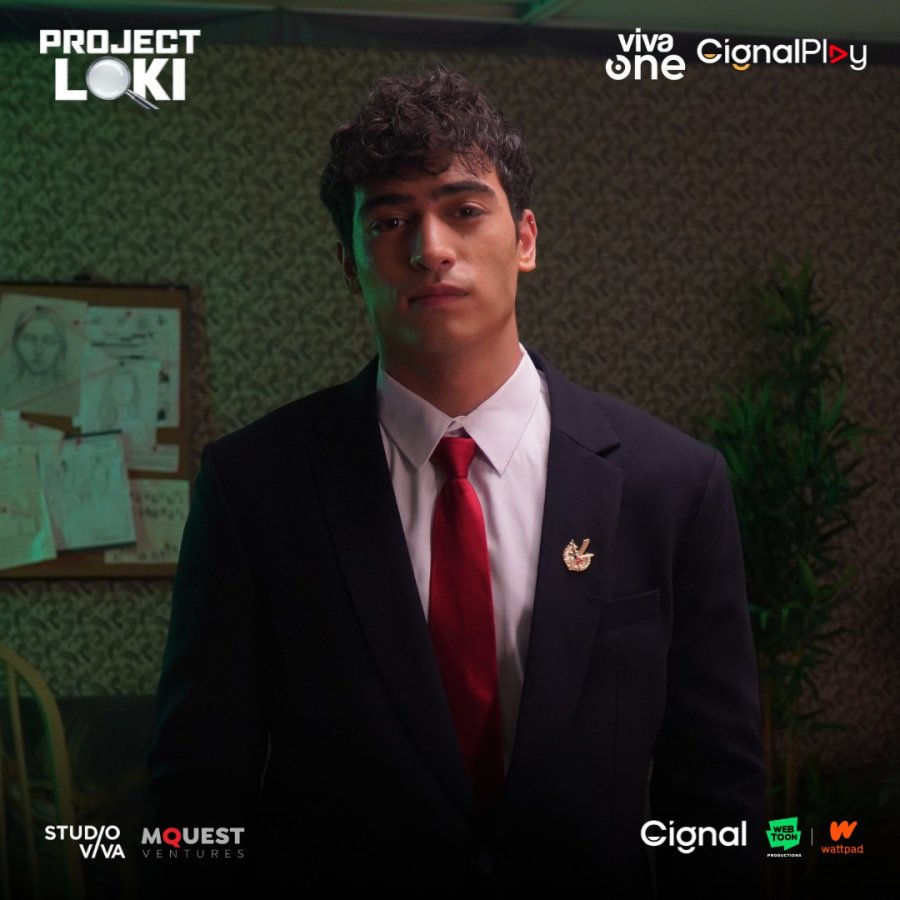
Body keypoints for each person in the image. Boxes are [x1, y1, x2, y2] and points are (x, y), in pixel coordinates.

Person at [147, 66, 765, 898]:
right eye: (390, 220)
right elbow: (197, 792)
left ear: (526, 240)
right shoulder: (253, 488)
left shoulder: (672, 484)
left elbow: (718, 798)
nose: (430, 248)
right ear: (348, 264)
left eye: (464, 210)